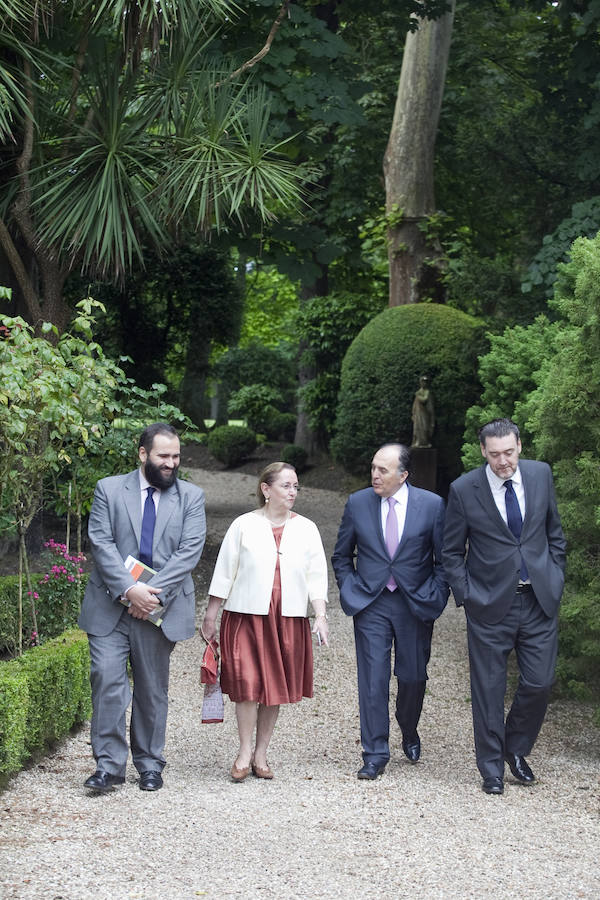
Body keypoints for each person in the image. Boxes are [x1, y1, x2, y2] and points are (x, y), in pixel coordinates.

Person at [79, 423, 206, 793]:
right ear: (142, 454)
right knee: (106, 680)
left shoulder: (191, 497)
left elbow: (189, 552)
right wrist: (128, 590)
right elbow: (100, 543)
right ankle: (108, 766)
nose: (171, 464)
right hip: (110, 604)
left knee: (152, 689)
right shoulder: (109, 489)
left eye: (176, 457)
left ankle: (150, 764)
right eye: (163, 456)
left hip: (159, 608)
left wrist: (150, 595)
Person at [442, 418, 566, 795]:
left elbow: (554, 533)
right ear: (483, 451)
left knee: (539, 682)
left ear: (519, 446)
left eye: (508, 452)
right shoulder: (464, 489)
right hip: (489, 606)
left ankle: (516, 748)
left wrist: (555, 577)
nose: (503, 461)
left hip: (538, 601)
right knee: (489, 691)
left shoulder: (540, 475)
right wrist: (468, 596)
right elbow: (450, 552)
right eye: (494, 454)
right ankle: (491, 768)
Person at [202, 462, 328, 782]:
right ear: (266, 489)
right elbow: (225, 571)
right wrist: (211, 614)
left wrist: (321, 615)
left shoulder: (307, 528)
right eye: (286, 486)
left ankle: (261, 754)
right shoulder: (243, 525)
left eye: (296, 486)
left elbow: (317, 577)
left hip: (288, 618)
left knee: (274, 686)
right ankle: (244, 752)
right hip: (246, 615)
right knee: (246, 684)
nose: (293, 492)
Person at [332, 443, 448, 780]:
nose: (375, 475)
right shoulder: (358, 503)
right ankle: (375, 753)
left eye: (383, 470)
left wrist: (437, 594)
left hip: (415, 603)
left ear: (404, 474)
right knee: (373, 679)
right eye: (373, 468)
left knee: (413, 676)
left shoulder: (432, 505)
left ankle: (408, 728)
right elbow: (341, 555)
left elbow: (445, 559)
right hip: (372, 602)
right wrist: (351, 587)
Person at [411, 375, 435, 448]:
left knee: (424, 428)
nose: (424, 383)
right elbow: (414, 405)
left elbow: (425, 400)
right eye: (422, 382)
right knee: (417, 428)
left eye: (425, 382)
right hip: (418, 414)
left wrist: (418, 396)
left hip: (425, 413)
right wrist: (413, 413)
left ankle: (424, 443)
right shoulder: (418, 392)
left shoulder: (427, 392)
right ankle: (417, 442)